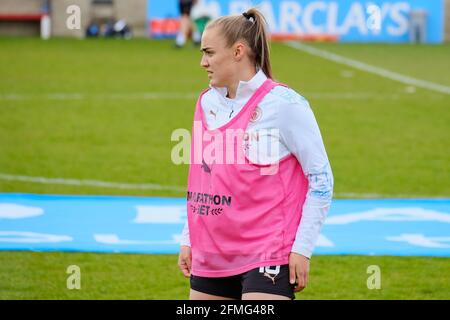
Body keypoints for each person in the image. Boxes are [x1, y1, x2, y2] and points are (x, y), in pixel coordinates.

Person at [178, 8, 334, 300]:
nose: (203, 62)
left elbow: (322, 179)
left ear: (238, 51)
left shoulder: (285, 104)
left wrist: (302, 248)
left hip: (268, 253)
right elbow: (201, 181)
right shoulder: (205, 103)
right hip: (212, 251)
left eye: (209, 53)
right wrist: (190, 238)